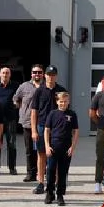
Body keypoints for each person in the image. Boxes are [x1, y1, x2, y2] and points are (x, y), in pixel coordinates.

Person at [29, 65, 66, 195]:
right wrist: (33, 130)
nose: (51, 77)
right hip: (42, 126)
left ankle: (54, 183)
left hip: (57, 129)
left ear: (56, 76)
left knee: (56, 155)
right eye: (49, 74)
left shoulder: (61, 91)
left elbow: (65, 111)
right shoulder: (39, 91)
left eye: (53, 74)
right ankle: (40, 183)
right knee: (41, 155)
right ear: (45, 75)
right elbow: (34, 112)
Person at [42, 90, 79, 206]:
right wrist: (47, 146)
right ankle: (49, 192)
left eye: (65, 101)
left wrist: (72, 147)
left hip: (66, 147)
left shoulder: (72, 114)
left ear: (69, 102)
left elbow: (76, 131)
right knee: (50, 170)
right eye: (61, 101)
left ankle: (60, 194)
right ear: (57, 102)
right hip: (53, 146)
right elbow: (47, 130)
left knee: (63, 172)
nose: (63, 104)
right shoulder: (52, 114)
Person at [13, 64, 44, 182]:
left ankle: (42, 172)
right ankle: (30, 173)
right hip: (27, 122)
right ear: (31, 74)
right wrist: (20, 107)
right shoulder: (24, 86)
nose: (37, 74)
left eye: (39, 72)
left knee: (41, 149)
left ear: (42, 74)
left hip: (42, 122)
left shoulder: (46, 86)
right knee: (29, 150)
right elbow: (15, 98)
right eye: (35, 72)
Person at [0, 66, 19, 175]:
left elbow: (21, 98)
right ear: (0, 74)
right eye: (3, 73)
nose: (5, 75)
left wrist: (18, 104)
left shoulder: (16, 86)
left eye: (7, 73)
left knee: (11, 143)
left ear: (10, 75)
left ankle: (12, 168)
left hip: (10, 119)